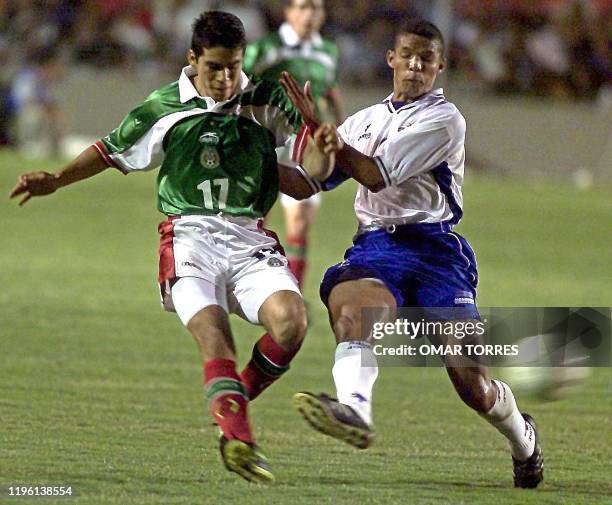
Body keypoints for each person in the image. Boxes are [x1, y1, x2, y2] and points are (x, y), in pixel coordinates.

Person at [9, 11, 331, 485]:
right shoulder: (164, 107)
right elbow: (109, 150)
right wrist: (57, 180)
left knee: (293, 323)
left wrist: (321, 136)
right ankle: (240, 439)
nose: (225, 79)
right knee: (213, 335)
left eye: (234, 67)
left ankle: (229, 406)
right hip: (188, 238)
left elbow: (310, 179)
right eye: (215, 68)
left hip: (249, 238)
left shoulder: (267, 99)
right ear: (192, 59)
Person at [281, 18, 544, 489]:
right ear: (392, 59)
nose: (416, 65)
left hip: (436, 252)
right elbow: (306, 183)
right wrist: (256, 160)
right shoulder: (364, 120)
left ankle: (523, 439)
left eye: (427, 58)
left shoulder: (445, 121)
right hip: (378, 247)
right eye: (408, 55)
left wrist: (329, 138)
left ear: (439, 67)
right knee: (355, 315)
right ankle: (355, 412)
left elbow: (376, 174)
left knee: (473, 384)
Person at [243, 0, 344, 289]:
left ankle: (292, 293)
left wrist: (342, 126)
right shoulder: (264, 48)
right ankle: (252, 285)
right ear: (288, 12)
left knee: (300, 222)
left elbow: (329, 91)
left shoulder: (328, 52)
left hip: (308, 144)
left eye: (315, 8)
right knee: (255, 218)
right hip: (268, 141)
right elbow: (242, 85)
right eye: (302, 7)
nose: (309, 14)